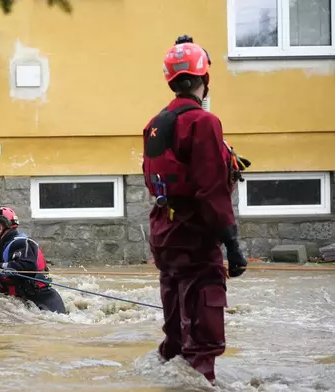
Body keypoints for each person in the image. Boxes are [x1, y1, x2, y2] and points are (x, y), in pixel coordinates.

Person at [141, 35, 250, 385]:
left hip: (165, 231)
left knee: (176, 321)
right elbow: (211, 191)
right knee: (202, 324)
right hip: (194, 232)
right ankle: (199, 381)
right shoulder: (204, 122)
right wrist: (232, 244)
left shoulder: (156, 123)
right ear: (204, 79)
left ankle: (169, 370)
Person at [0, 206, 67, 314]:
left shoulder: (21, 243)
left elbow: (28, 266)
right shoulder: (5, 246)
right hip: (29, 304)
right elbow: (8, 266)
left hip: (45, 304)